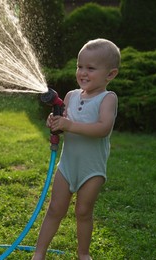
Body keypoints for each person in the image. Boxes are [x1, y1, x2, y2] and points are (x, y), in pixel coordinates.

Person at [32, 38, 120, 260]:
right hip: (67, 166)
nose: (83, 72)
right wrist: (55, 122)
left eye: (91, 68)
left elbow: (103, 128)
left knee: (83, 212)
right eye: (80, 66)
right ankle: (38, 254)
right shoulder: (70, 96)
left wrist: (70, 125)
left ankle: (83, 254)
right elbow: (65, 123)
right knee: (54, 210)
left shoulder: (107, 98)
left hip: (92, 170)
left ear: (110, 75)